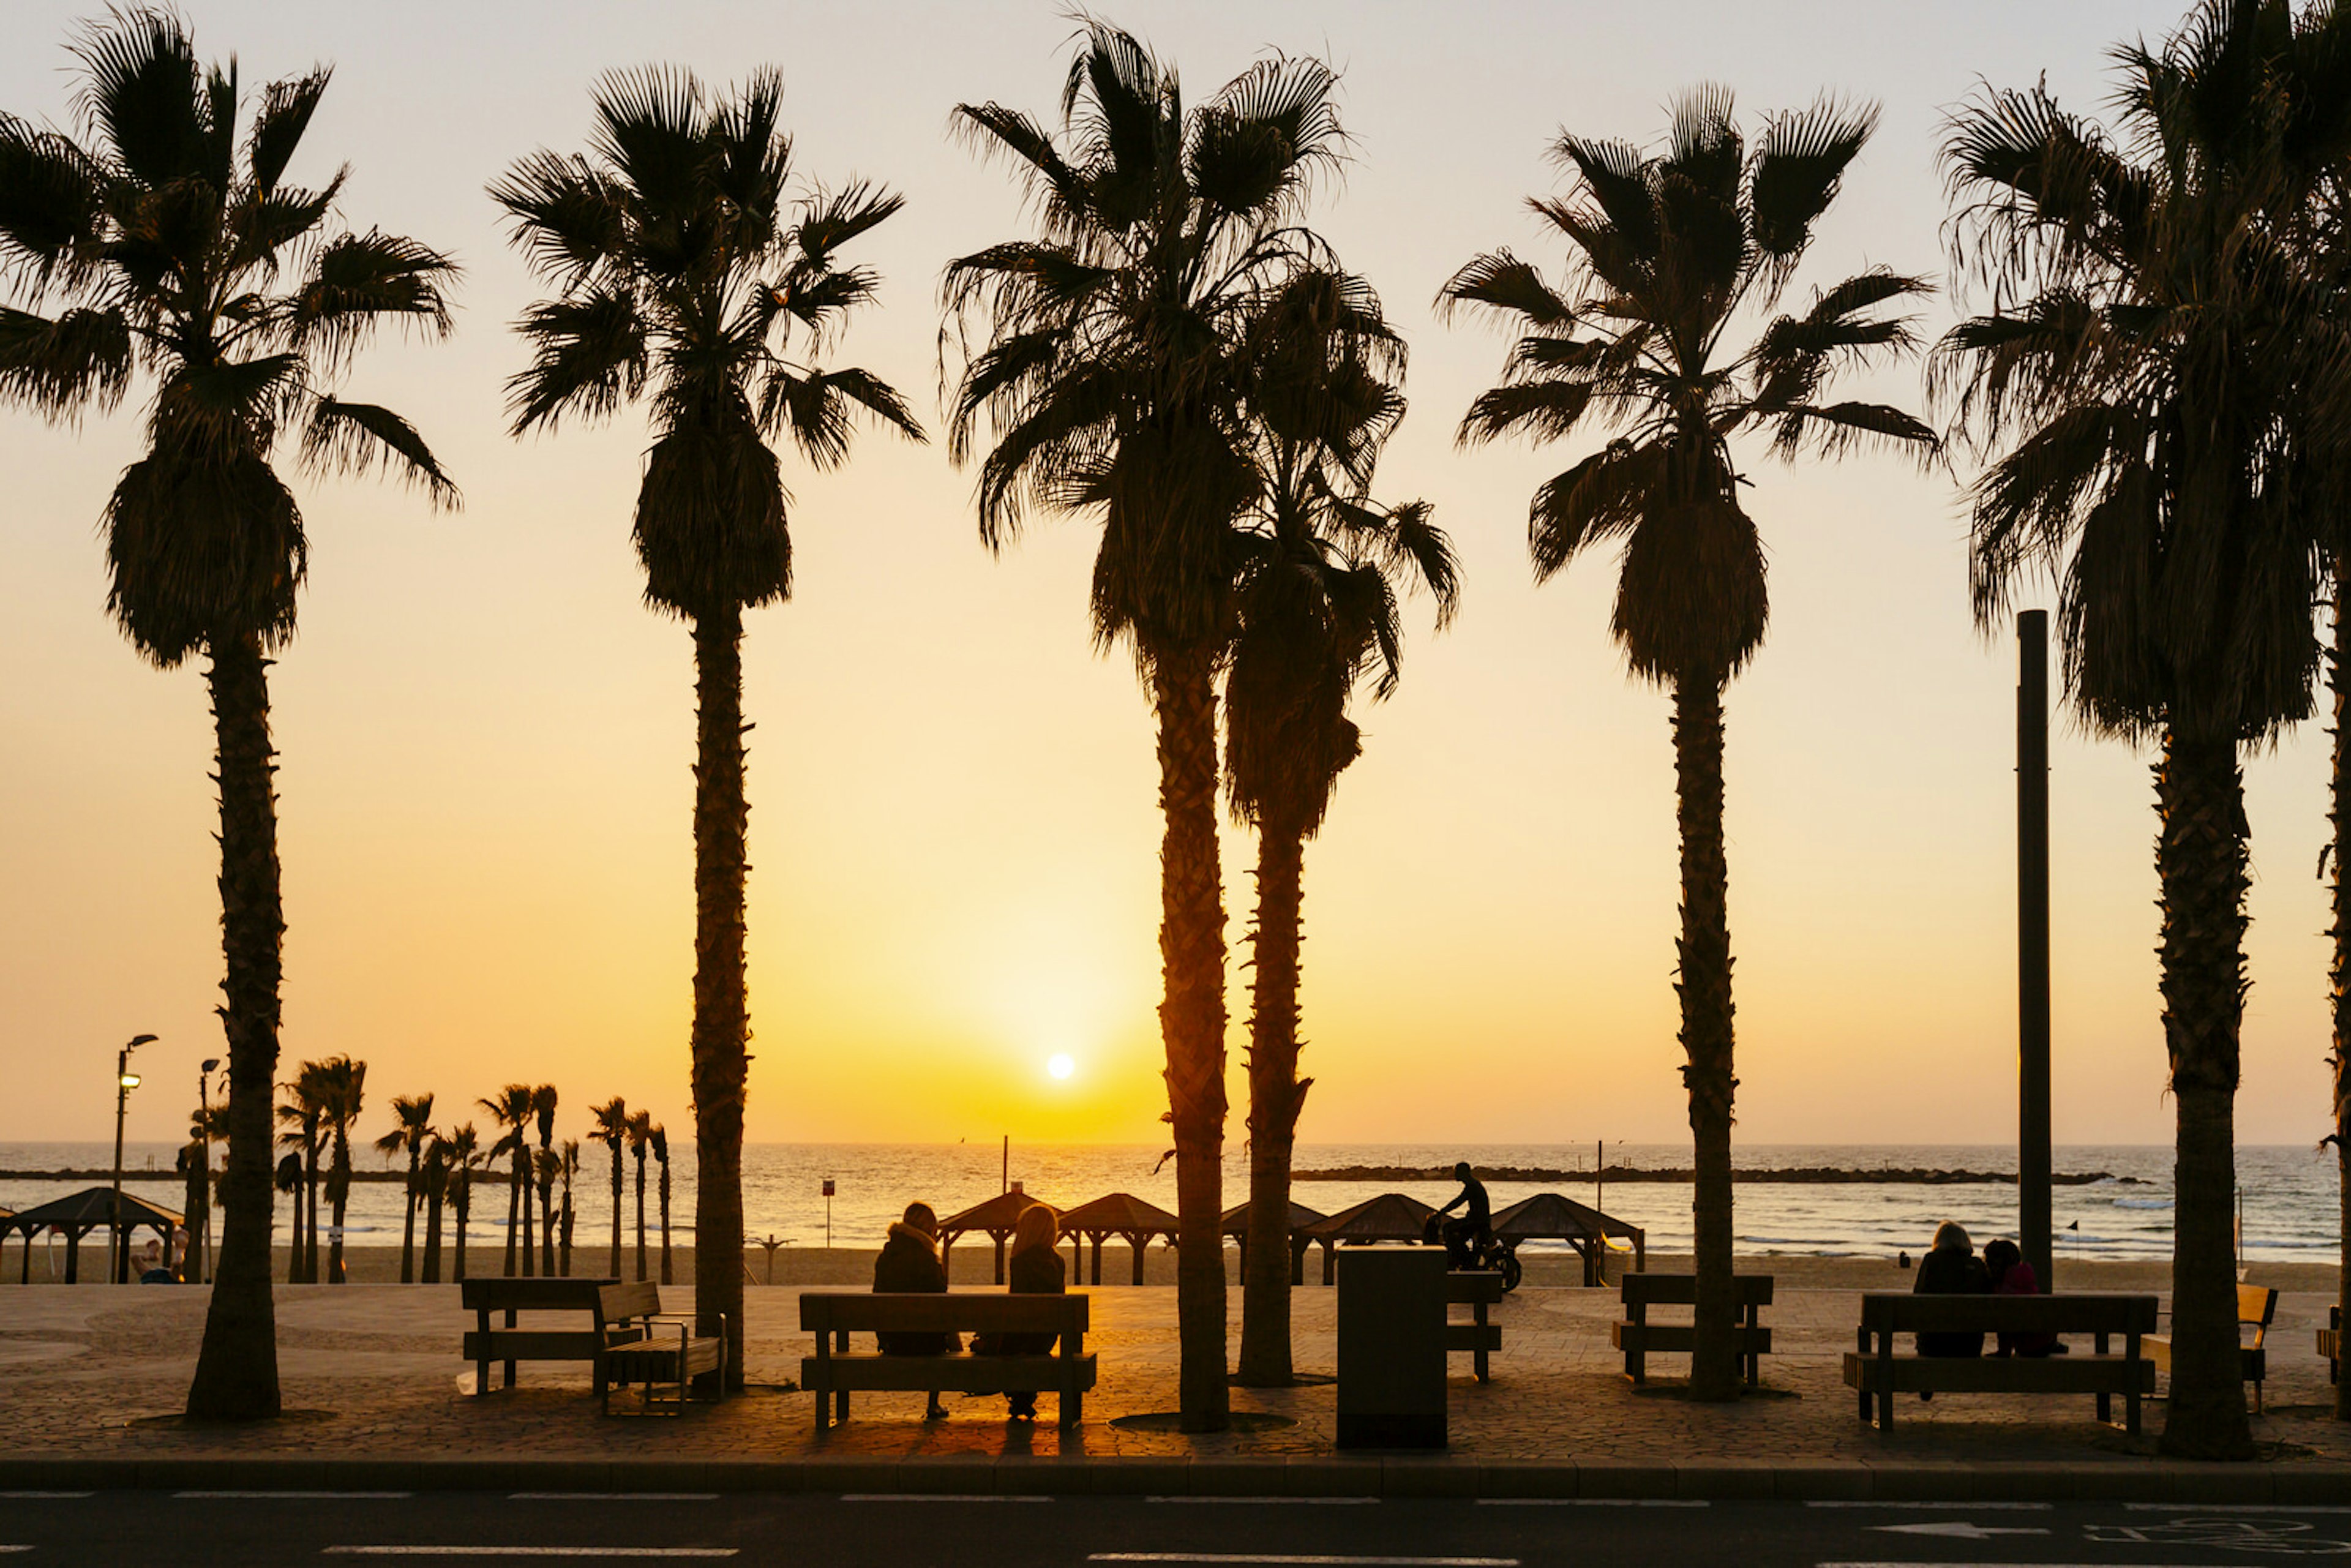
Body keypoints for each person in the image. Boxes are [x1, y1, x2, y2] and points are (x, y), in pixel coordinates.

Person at [973, 1204, 1065, 1421]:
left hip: (1022, 1337)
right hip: (1046, 1339)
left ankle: (1019, 1398)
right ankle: (1023, 1400)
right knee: (1017, 1346)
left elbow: (1017, 1308)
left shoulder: (1021, 1261)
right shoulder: (1058, 1261)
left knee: (996, 1343)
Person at [872, 1202, 954, 1420]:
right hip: (926, 1344)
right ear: (928, 1229)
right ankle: (933, 1404)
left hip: (891, 1340)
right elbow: (940, 1298)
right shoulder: (927, 1260)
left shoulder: (886, 1258)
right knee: (941, 1329)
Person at [1912, 1221, 1991, 1378]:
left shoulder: (1931, 1261)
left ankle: (1928, 1379)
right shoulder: (1977, 1265)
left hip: (1933, 1346)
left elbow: (1918, 1296)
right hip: (1970, 1347)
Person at [1982, 1237, 2060, 1357]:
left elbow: (2006, 1327)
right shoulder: (2024, 1278)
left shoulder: (2004, 1291)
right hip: (2044, 1342)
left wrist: (2003, 1352)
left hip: (2027, 1347)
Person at [1437, 1161, 1490, 1270]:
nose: (1455, 1174)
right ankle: (1461, 1256)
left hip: (1477, 1221)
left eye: (1457, 1172)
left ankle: (1464, 1258)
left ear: (1463, 1173)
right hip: (1476, 1219)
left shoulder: (1472, 1186)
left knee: (1448, 1229)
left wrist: (1442, 1212)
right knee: (1456, 1234)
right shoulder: (1474, 1184)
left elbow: (1458, 1201)